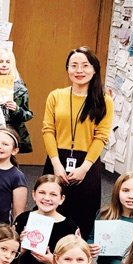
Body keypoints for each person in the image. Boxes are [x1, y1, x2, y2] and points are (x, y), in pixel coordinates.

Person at [42, 46, 113, 239]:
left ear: (94, 69)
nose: (79, 71)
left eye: (85, 66)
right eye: (74, 65)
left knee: (84, 213)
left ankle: (77, 263)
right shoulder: (56, 96)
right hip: (57, 157)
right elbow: (48, 130)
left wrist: (84, 168)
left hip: (87, 162)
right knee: (50, 208)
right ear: (67, 69)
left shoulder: (104, 101)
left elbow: (101, 136)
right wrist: (56, 164)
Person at [14, 175, 80, 264]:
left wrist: (53, 261)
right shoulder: (23, 219)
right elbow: (6, 254)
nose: (47, 198)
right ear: (34, 195)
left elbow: (77, 263)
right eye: (42, 193)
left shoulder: (69, 227)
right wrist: (21, 248)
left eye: (53, 194)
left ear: (61, 199)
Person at [0, 48, 33, 153]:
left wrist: (17, 109)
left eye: (8, 62)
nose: (4, 65)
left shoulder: (20, 89)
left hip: (11, 130)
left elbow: (28, 114)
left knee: (8, 160)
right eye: (0, 62)